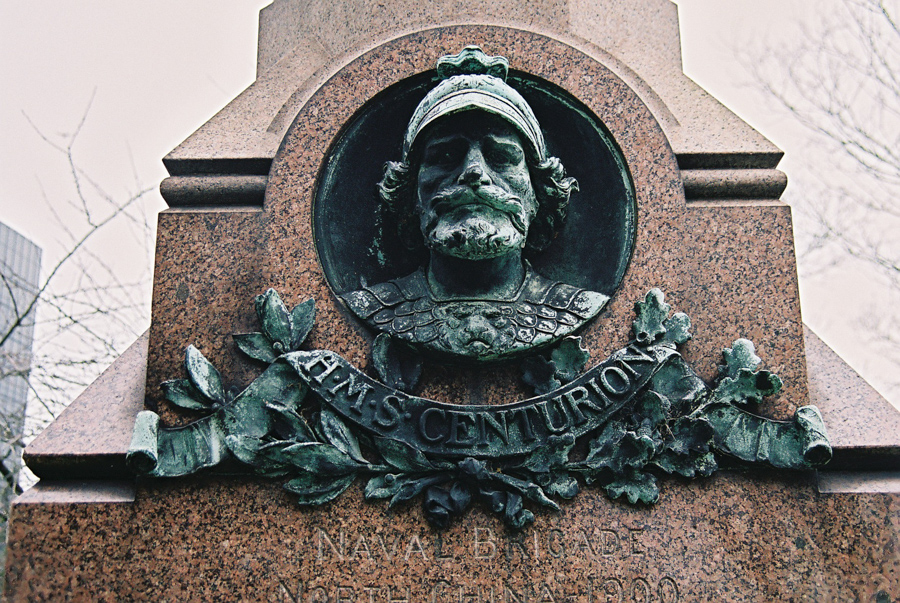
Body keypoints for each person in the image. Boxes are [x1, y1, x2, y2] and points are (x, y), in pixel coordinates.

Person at [343, 47, 607, 361]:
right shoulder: (368, 307)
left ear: (539, 193)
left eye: (502, 157)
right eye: (444, 157)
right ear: (409, 194)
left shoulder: (581, 306)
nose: (474, 172)